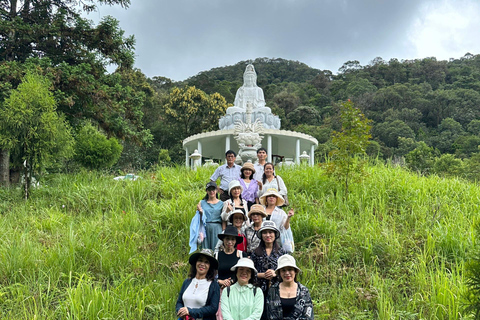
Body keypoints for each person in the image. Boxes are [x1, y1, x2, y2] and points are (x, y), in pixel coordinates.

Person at [176, 249, 220, 320]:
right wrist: (181, 311)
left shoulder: (214, 285)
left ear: (210, 266)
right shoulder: (187, 282)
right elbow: (179, 302)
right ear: (196, 263)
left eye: (206, 262)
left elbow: (213, 308)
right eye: (200, 260)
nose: (202, 264)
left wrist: (190, 312)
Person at [266, 255, 314, 320]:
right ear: (279, 273)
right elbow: (270, 315)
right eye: (283, 270)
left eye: (290, 269)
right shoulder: (273, 291)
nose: (287, 273)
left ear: (295, 271)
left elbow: (308, 315)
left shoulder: (303, 291)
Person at [215, 226, 245, 320]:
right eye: (227, 239)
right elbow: (211, 275)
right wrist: (220, 281)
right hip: (221, 290)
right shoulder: (216, 255)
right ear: (223, 240)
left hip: (238, 290)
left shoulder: (241, 255)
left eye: (232, 239)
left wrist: (231, 281)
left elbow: (245, 273)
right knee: (221, 316)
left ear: (236, 241)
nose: (230, 242)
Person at [250, 221, 287, 295]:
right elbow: (250, 272)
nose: (267, 235)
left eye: (270, 232)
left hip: (278, 289)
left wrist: (275, 274)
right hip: (259, 290)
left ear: (275, 234)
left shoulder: (282, 253)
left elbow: (287, 271)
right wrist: (262, 275)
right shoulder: (255, 253)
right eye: (265, 233)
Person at [190, 181, 224, 252]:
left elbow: (223, 219)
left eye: (213, 189)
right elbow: (198, 219)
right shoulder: (202, 203)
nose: (211, 192)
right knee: (205, 250)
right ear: (206, 191)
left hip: (217, 228)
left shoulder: (221, 203)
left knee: (216, 249)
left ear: (216, 190)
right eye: (209, 190)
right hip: (205, 229)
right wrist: (201, 212)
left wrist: (224, 232)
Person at [259, 188, 295, 253]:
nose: (271, 198)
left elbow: (285, 228)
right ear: (266, 198)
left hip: (277, 241)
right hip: (263, 238)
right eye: (269, 196)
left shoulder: (281, 212)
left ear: (276, 199)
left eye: (273, 196)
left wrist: (288, 217)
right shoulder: (261, 210)